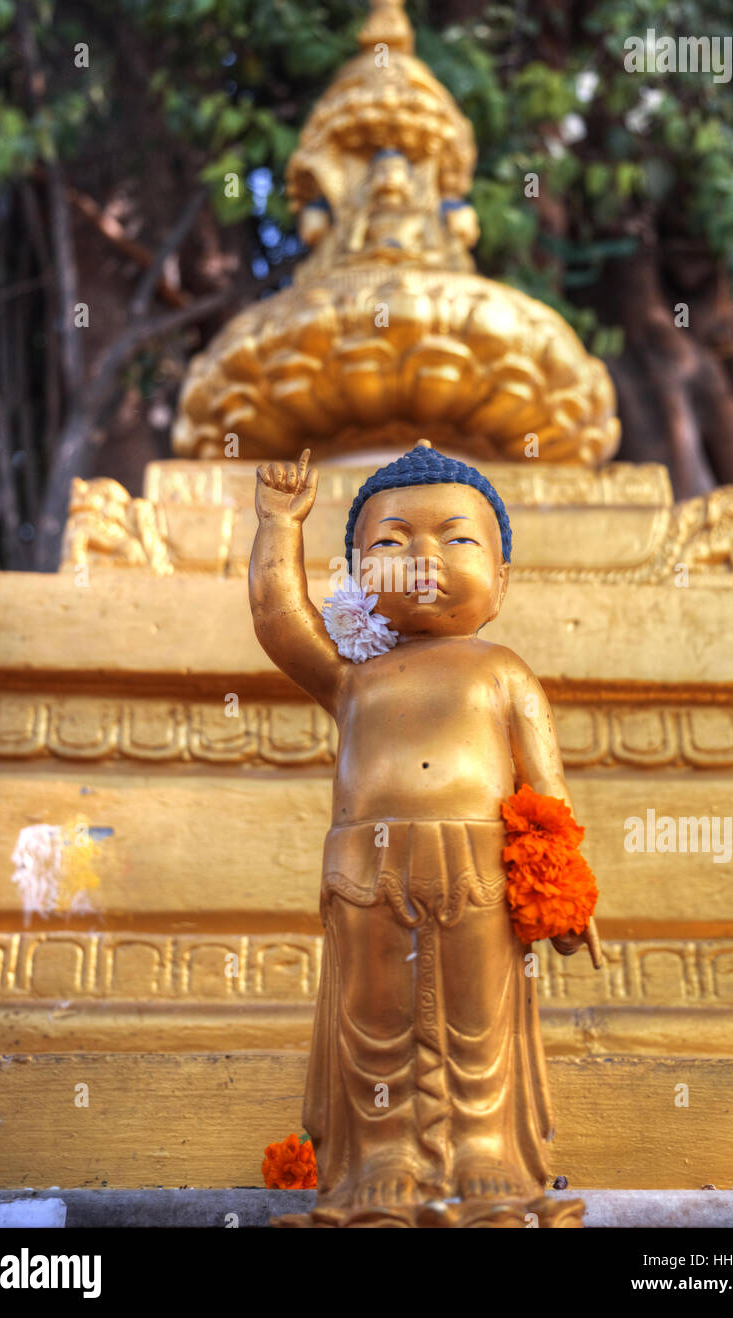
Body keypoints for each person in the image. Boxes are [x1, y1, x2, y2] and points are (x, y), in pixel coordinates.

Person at [249, 440, 601, 1227]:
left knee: (480, 1026)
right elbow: (278, 619)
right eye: (390, 540)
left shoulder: (504, 672)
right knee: (374, 1022)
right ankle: (383, 1159)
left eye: (457, 537)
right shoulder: (353, 677)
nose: (423, 556)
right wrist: (279, 526)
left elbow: (547, 793)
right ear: (356, 575)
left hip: (481, 872)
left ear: (501, 582)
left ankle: (485, 1156)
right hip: (366, 876)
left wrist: (566, 896)